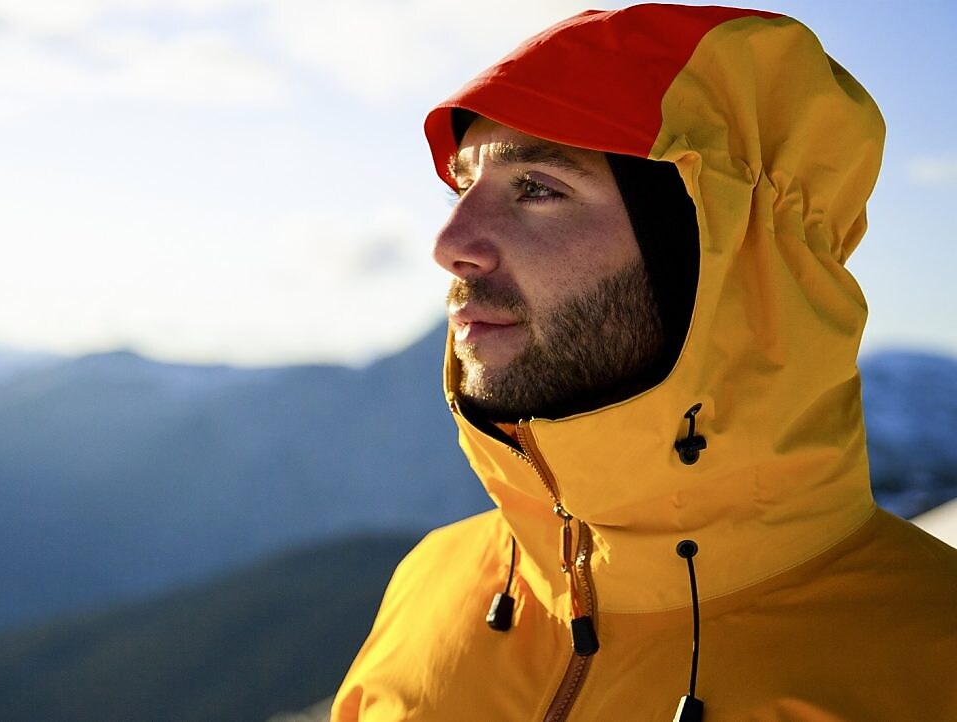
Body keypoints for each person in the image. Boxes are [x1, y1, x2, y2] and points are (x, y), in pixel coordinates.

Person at [332, 5, 957, 720]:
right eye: (461, 186)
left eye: (537, 188)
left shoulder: (932, 662)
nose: (449, 241)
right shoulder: (430, 585)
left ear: (724, 262)